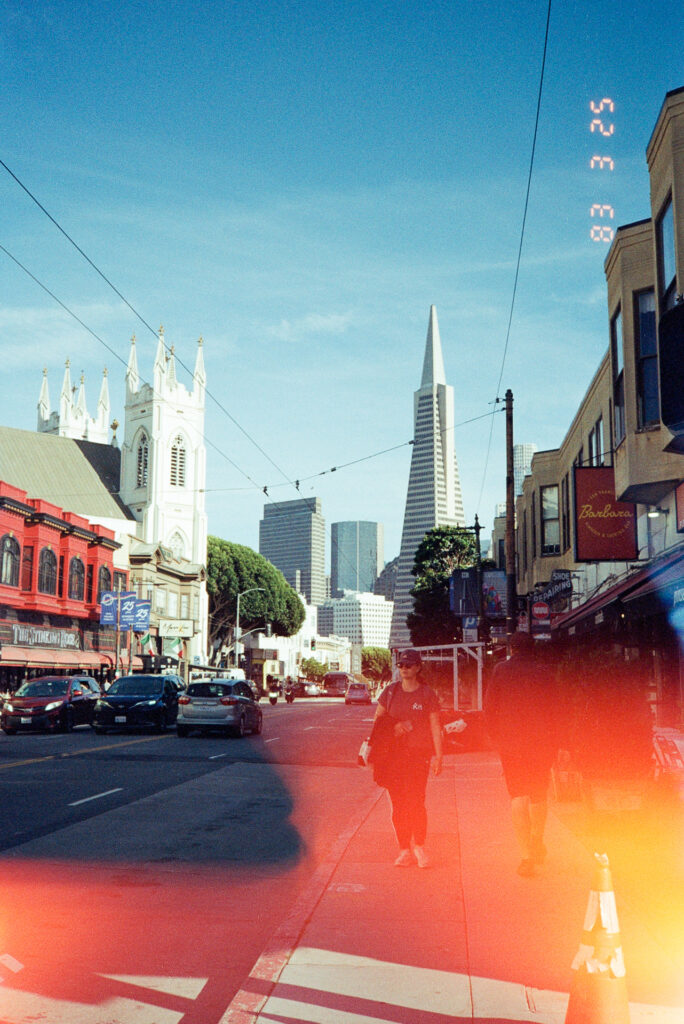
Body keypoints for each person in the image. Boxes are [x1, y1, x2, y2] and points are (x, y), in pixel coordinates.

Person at [484, 631, 559, 877]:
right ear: (533, 648)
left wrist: (496, 738)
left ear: (511, 649)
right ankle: (537, 838)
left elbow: (490, 708)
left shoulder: (501, 671)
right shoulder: (544, 672)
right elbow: (558, 709)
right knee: (538, 794)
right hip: (542, 742)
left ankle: (526, 856)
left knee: (517, 796)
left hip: (511, 743)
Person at [372, 648, 443, 868]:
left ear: (418, 667)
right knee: (398, 804)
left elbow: (435, 725)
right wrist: (396, 726)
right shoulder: (390, 692)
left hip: (418, 756)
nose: (404, 668)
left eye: (409, 665)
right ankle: (404, 849)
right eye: (401, 665)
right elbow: (378, 721)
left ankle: (419, 847)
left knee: (416, 801)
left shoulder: (427, 694)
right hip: (392, 757)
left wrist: (438, 756)